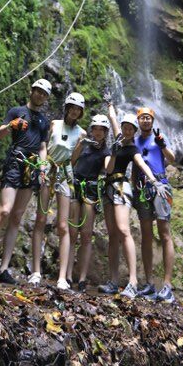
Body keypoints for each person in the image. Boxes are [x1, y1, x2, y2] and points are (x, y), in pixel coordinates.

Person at [0, 78, 51, 284]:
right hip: (15, 162)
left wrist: (43, 168)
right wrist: (11, 125)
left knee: (17, 216)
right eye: (38, 91)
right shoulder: (16, 111)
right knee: (4, 211)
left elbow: (43, 147)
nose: (40, 95)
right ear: (31, 91)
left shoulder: (44, 121)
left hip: (32, 166)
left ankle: (4, 269)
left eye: (44, 94)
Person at [99, 101, 160, 299]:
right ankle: (114, 281)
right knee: (113, 235)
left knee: (124, 230)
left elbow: (141, 164)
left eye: (129, 128)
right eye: (124, 127)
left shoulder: (132, 148)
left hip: (121, 188)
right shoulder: (117, 143)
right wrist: (110, 108)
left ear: (133, 131)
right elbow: (108, 169)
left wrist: (153, 181)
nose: (125, 130)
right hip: (107, 187)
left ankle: (133, 281)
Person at [29, 92, 85, 290]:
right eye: (72, 108)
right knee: (41, 220)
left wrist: (79, 147)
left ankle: (62, 277)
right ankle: (35, 271)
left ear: (81, 113)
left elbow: (73, 160)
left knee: (63, 225)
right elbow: (44, 146)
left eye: (78, 110)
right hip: (48, 170)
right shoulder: (54, 124)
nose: (74, 112)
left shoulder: (82, 133)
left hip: (64, 175)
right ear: (67, 108)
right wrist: (42, 167)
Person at [133, 107, 176, 302]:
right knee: (146, 235)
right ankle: (149, 284)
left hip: (160, 185)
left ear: (152, 120)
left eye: (149, 118)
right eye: (142, 118)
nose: (146, 121)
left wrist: (163, 145)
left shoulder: (159, 138)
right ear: (138, 120)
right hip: (142, 189)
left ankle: (167, 285)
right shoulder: (134, 140)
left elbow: (172, 159)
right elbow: (135, 166)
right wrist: (134, 189)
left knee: (164, 233)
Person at [67, 114, 111, 292]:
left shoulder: (106, 151)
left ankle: (83, 278)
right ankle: (67, 275)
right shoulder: (84, 144)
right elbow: (72, 161)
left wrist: (114, 153)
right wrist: (80, 144)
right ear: (91, 129)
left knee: (86, 234)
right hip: (76, 185)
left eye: (102, 130)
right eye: (96, 129)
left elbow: (108, 168)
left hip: (91, 190)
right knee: (71, 233)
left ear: (106, 132)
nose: (98, 132)